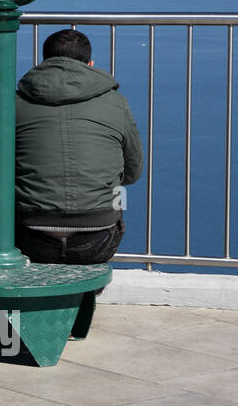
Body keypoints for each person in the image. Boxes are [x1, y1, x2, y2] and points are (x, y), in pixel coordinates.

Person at [14, 29, 143, 264]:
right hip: (97, 237)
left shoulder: (15, 102)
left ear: (45, 62)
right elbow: (133, 172)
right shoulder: (116, 102)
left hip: (31, 236)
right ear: (90, 64)